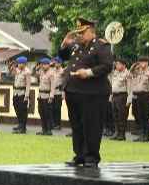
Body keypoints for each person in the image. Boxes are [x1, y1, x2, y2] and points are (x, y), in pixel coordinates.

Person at [59, 16, 113, 167]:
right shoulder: (77, 44)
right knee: (77, 126)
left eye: (82, 33)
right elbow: (62, 56)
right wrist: (64, 43)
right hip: (73, 91)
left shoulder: (101, 46)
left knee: (92, 126)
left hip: (93, 93)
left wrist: (88, 72)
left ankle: (91, 157)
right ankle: (80, 155)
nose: (79, 36)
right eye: (78, 33)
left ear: (90, 31)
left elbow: (107, 66)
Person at [129, 56, 149, 142]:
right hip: (136, 95)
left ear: (147, 62)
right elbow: (129, 74)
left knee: (146, 115)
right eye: (140, 62)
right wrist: (135, 65)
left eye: (143, 62)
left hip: (145, 95)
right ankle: (141, 133)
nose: (142, 64)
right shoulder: (137, 71)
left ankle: (146, 135)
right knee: (137, 113)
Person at [9, 56, 31, 134]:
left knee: (23, 110)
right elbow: (11, 74)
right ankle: (20, 124)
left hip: (22, 93)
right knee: (16, 108)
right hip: (16, 93)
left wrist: (27, 96)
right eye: (18, 63)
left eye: (20, 63)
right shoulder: (17, 70)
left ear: (24, 64)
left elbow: (28, 84)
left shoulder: (27, 72)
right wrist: (12, 66)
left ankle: (23, 127)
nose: (18, 64)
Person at [36, 58, 55, 135]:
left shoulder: (51, 73)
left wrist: (51, 96)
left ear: (48, 65)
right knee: (41, 112)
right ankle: (43, 129)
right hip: (41, 95)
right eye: (42, 64)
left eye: (45, 64)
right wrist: (37, 67)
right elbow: (35, 74)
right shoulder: (41, 72)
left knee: (48, 114)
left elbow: (53, 86)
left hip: (47, 96)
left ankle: (49, 130)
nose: (43, 66)